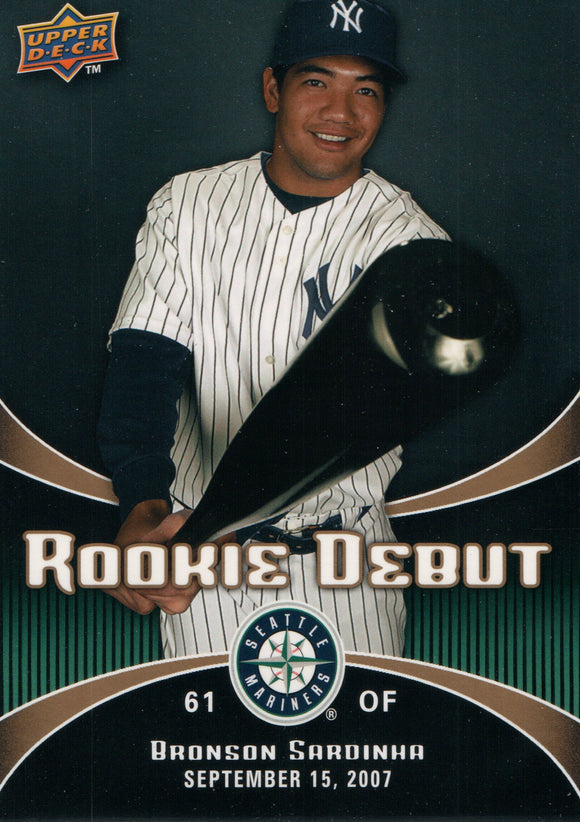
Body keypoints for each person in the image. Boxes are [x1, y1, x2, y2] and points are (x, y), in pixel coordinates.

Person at [98, 0, 448, 658]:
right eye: (317, 81)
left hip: (347, 564)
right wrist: (143, 506)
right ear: (272, 89)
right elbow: (144, 364)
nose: (340, 113)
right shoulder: (189, 205)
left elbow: (369, 414)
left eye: (365, 90)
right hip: (199, 562)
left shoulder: (413, 246)